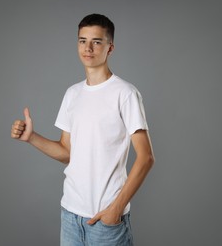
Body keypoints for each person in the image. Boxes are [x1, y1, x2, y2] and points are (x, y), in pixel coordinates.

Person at [11, 13, 154, 246]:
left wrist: (115, 210)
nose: (88, 48)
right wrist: (31, 138)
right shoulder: (72, 94)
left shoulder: (125, 93)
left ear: (110, 48)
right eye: (82, 40)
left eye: (97, 41)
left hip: (106, 219)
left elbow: (146, 157)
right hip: (70, 215)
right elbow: (67, 152)